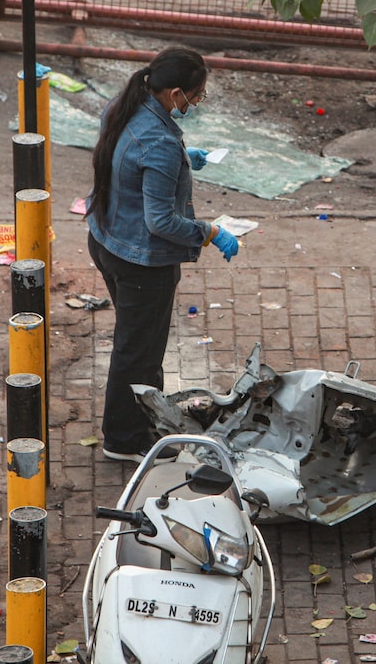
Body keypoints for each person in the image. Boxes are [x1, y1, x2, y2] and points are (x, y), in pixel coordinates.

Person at [86, 47, 241, 464]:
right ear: (174, 94)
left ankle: (147, 413)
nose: (197, 102)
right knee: (136, 350)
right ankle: (124, 439)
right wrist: (209, 232)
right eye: (197, 95)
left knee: (142, 342)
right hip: (141, 263)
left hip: (107, 240)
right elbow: (161, 222)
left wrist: (181, 163)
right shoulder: (158, 141)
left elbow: (127, 165)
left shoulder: (125, 105)